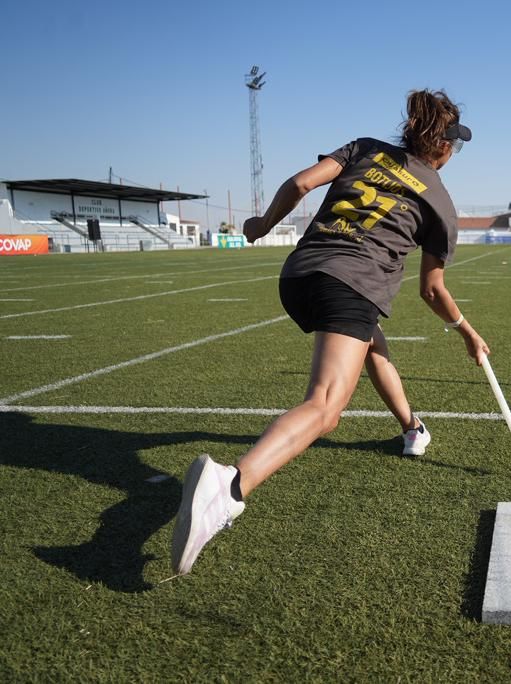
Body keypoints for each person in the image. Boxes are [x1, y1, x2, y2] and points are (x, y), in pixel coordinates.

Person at [171, 89, 488, 575]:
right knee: (325, 407)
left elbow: (300, 184)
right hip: (351, 284)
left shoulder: (364, 148)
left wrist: (260, 224)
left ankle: (411, 428)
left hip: (300, 275)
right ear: (443, 146)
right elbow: (431, 290)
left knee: (371, 344)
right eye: (455, 146)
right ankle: (230, 487)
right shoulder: (441, 201)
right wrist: (466, 330)